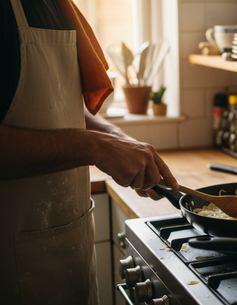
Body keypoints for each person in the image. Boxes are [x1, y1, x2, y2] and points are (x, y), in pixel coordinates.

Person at [0, 1, 179, 304]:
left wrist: (116, 137)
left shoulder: (53, 5)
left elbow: (63, 102)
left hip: (69, 246)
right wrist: (98, 147)